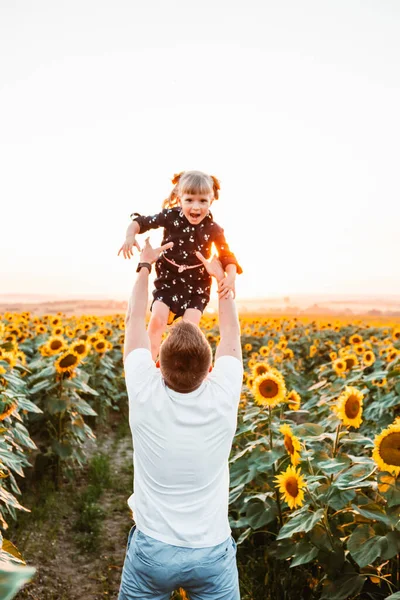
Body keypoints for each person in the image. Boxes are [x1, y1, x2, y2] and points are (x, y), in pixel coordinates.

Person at [118, 237, 243, 600]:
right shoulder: (223, 396)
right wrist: (222, 282)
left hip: (152, 549)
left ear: (158, 364)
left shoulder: (144, 389)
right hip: (211, 551)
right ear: (210, 370)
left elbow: (134, 320)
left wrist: (145, 266)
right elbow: (231, 334)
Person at [118, 170, 242, 359]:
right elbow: (140, 223)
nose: (196, 207)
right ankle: (151, 363)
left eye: (203, 201)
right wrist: (129, 236)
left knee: (189, 330)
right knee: (157, 322)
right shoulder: (170, 217)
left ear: (211, 201)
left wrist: (231, 276)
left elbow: (227, 256)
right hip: (169, 279)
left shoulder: (214, 229)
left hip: (197, 285)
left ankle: (177, 369)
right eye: (190, 200)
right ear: (179, 197)